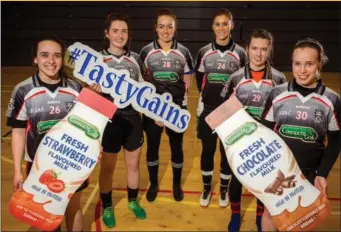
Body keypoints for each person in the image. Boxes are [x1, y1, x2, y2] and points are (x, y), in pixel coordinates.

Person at [6, 36, 87, 232]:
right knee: (46, 213)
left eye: (57, 56)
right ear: (35, 59)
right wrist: (17, 169)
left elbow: (87, 128)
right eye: (44, 55)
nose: (51, 61)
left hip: (72, 164)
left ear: (63, 59)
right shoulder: (22, 90)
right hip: (38, 167)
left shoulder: (76, 88)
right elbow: (17, 132)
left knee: (73, 208)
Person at [260, 38, 341, 231]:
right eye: (297, 64)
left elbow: (336, 140)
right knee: (271, 214)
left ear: (319, 64)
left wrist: (322, 174)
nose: (302, 70)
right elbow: (264, 133)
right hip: (278, 171)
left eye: (309, 64)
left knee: (301, 220)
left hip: (309, 173)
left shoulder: (331, 99)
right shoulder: (277, 94)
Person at [221, 29, 286, 232]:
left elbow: (283, 112)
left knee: (264, 180)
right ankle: (235, 215)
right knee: (237, 180)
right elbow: (223, 110)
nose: (258, 54)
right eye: (255, 48)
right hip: (240, 140)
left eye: (264, 49)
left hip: (265, 141)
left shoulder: (279, 78)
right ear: (248, 49)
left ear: (269, 51)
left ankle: (260, 217)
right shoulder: (235, 77)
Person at [96, 13, 146, 228]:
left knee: (133, 165)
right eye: (115, 31)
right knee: (107, 168)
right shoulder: (97, 59)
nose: (120, 35)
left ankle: (133, 200)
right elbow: (88, 96)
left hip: (133, 118)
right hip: (108, 121)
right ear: (107, 33)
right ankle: (107, 205)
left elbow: (145, 90)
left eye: (124, 31)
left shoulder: (135, 58)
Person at [139, 8, 194, 202]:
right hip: (152, 111)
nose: (165, 31)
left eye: (169, 26)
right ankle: (154, 184)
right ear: (155, 28)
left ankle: (176, 185)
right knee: (152, 148)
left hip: (176, 110)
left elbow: (188, 80)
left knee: (176, 147)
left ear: (175, 28)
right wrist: (155, 111)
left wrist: (176, 109)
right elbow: (141, 84)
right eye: (161, 26)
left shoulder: (184, 52)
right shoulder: (146, 52)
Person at [194, 8, 247, 208]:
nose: (221, 28)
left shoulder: (241, 53)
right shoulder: (204, 52)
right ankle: (207, 187)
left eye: (225, 23)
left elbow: (244, 81)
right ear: (213, 27)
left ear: (231, 25)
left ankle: (223, 189)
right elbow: (200, 79)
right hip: (208, 110)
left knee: (226, 153)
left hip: (230, 112)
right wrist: (207, 96)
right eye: (218, 24)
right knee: (207, 151)